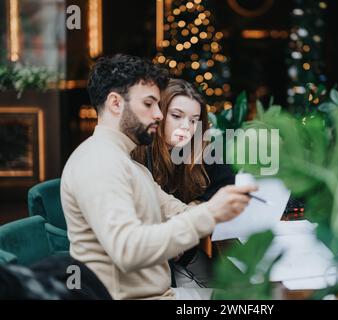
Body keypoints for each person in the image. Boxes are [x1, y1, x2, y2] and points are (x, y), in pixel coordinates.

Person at [60, 54, 256, 300]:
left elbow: (176, 210)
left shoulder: (127, 164)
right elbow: (128, 250)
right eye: (149, 104)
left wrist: (222, 206)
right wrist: (210, 212)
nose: (159, 114)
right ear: (116, 104)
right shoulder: (100, 162)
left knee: (255, 296)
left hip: (165, 293)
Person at [131, 78, 235, 288]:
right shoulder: (137, 153)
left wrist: (196, 204)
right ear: (158, 114)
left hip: (184, 256)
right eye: (177, 116)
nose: (186, 127)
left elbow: (226, 185)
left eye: (194, 120)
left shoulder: (199, 149)